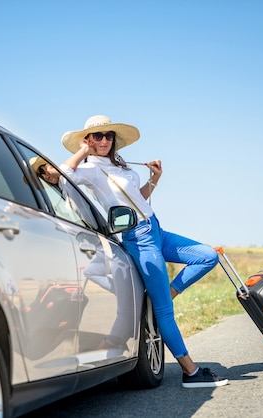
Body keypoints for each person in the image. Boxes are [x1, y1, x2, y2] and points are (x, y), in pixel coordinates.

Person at [59, 115, 228, 388]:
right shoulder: (89, 168)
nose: (104, 140)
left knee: (208, 256)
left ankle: (166, 294)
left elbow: (136, 198)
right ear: (88, 139)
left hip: (155, 230)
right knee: (164, 312)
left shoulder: (120, 166)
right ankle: (191, 372)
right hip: (137, 238)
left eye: (108, 136)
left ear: (114, 139)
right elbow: (65, 174)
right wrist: (82, 151)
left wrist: (155, 179)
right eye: (97, 136)